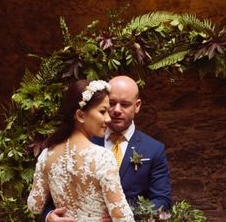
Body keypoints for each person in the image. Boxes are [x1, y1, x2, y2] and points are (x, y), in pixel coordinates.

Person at [46, 75, 172, 222]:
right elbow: (52, 193)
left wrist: (122, 214)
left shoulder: (153, 149)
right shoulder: (82, 142)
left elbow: (163, 201)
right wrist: (49, 216)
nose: (117, 110)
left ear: (137, 106)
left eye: (125, 104)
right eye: (111, 103)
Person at [27, 79, 135, 222]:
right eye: (102, 112)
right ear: (80, 115)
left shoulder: (46, 155)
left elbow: (34, 206)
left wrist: (50, 217)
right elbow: (124, 219)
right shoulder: (102, 157)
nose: (108, 118)